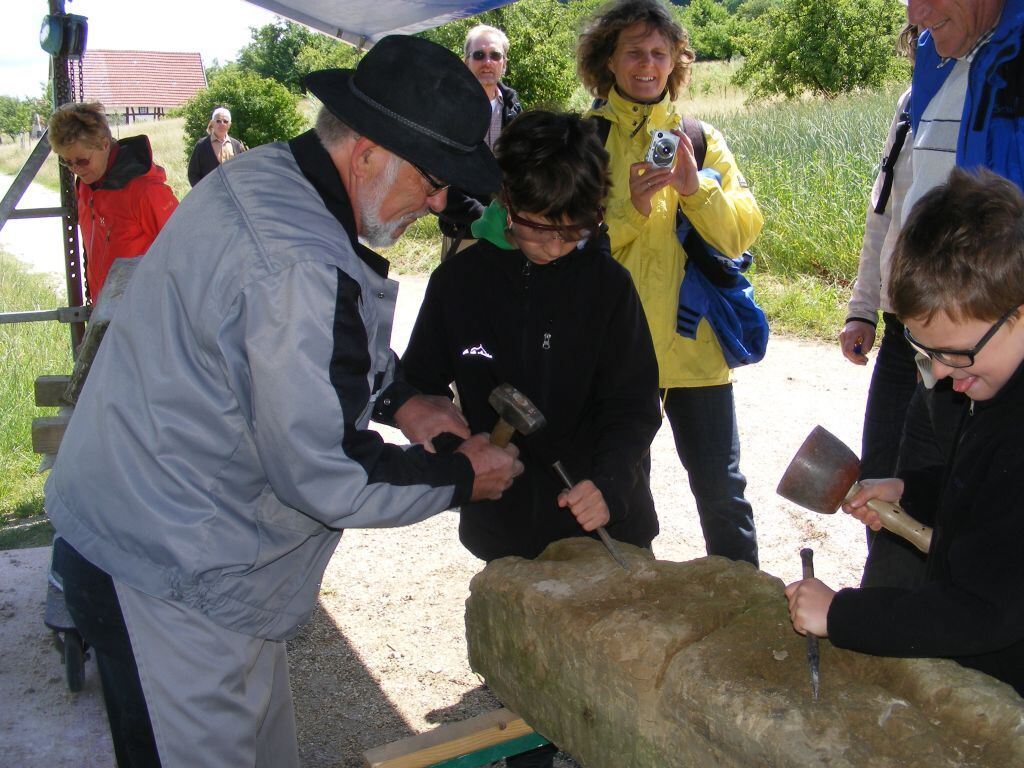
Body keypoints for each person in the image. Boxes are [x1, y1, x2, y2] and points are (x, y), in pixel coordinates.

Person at [44, 35, 523, 768]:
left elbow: (311, 348)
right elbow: (327, 473)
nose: (435, 203)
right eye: (431, 180)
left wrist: (403, 402)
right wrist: (465, 477)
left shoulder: (274, 173)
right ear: (366, 153)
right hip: (165, 571)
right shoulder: (298, 260)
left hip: (190, 546)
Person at [404, 108, 660, 768]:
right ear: (504, 199)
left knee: (607, 695)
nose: (549, 244)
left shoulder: (608, 288)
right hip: (508, 533)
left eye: (570, 232)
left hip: (602, 526)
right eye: (533, 227)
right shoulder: (458, 284)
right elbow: (415, 388)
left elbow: (634, 406)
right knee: (524, 688)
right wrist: (454, 448)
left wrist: (611, 478)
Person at [786, 167, 1024, 697]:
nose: (936, 375)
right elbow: (989, 493)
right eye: (924, 353)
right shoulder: (994, 384)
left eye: (951, 354)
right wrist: (911, 491)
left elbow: (984, 610)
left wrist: (841, 614)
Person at [577, 0, 764, 566]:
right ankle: (635, 610)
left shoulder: (701, 138)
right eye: (633, 51)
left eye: (660, 52)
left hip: (695, 347)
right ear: (608, 60)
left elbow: (738, 237)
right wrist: (630, 209)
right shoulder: (580, 142)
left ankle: (745, 608)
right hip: (615, 350)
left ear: (676, 62)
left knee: (722, 493)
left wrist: (695, 188)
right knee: (623, 492)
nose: (647, 64)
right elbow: (561, 247)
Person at [863, 0, 1024, 588]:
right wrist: (867, 305)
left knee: (986, 539)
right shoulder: (934, 64)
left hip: (991, 344)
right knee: (905, 489)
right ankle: (888, 619)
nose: (916, 11)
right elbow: (895, 202)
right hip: (931, 339)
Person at [838, 24, 925, 590]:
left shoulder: (998, 102)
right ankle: (886, 594)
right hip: (900, 330)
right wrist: (864, 306)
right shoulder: (910, 103)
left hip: (970, 339)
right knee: (878, 479)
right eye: (915, 29)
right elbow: (883, 214)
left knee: (932, 483)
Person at [48, 101, 178, 301]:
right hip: (105, 310)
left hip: (144, 311)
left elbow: (184, 252)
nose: (75, 169)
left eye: (82, 161)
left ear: (104, 144)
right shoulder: (85, 185)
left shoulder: (146, 192)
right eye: (67, 162)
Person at [436, 24, 522, 258]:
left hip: (507, 235)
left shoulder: (515, 111)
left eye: (495, 55)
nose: (487, 62)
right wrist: (482, 217)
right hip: (463, 232)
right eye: (479, 55)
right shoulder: (447, 111)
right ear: (466, 62)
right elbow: (436, 177)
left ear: (503, 63)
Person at [187, 106, 247, 186]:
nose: (222, 124)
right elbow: (193, 174)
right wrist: (202, 192)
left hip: (232, 194)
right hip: (210, 195)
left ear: (229, 125)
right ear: (212, 123)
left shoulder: (237, 145)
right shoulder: (202, 145)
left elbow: (243, 171)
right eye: (218, 121)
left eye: (225, 121)